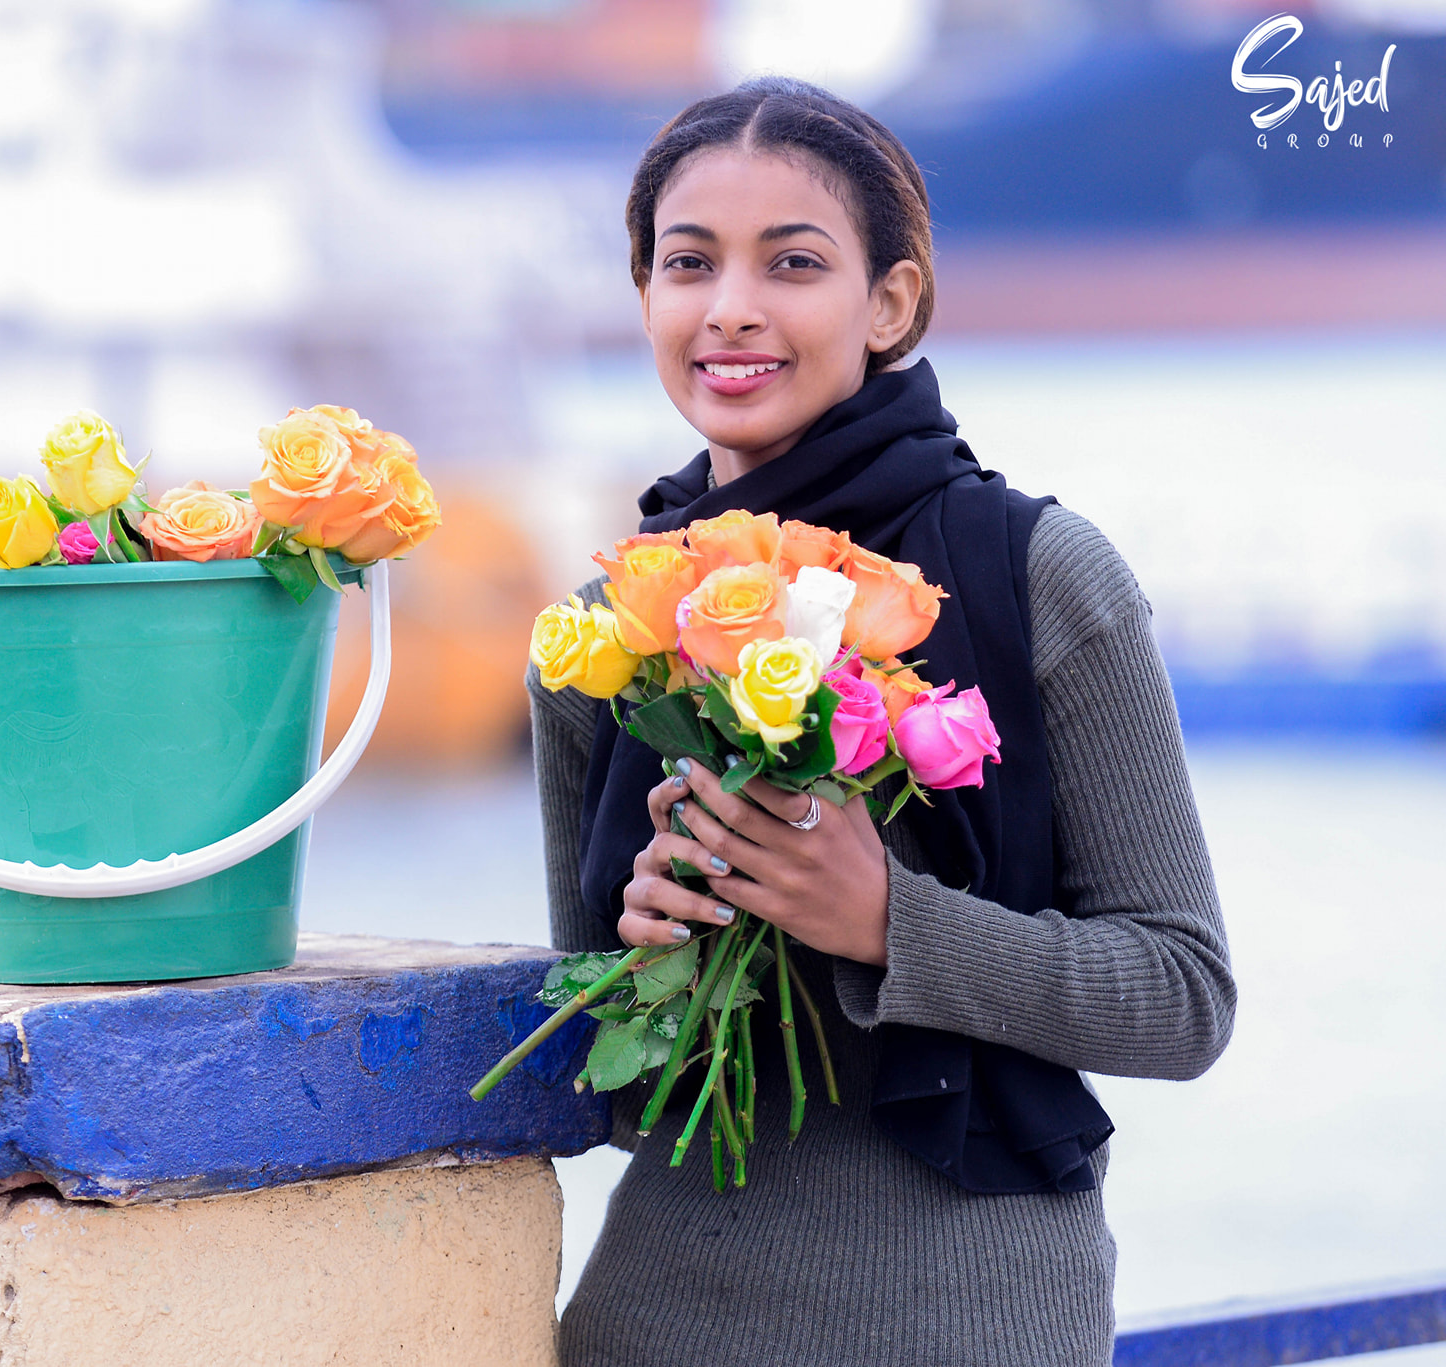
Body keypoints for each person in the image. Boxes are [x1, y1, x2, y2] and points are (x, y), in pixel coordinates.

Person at [530, 78, 1236, 1367]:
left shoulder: (1039, 573)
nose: (731, 306)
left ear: (894, 302)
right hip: (659, 1316)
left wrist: (884, 922)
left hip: (972, 1313)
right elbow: (612, 1086)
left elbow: (1184, 998)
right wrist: (643, 957)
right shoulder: (610, 628)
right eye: (688, 264)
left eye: (792, 263)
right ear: (645, 299)